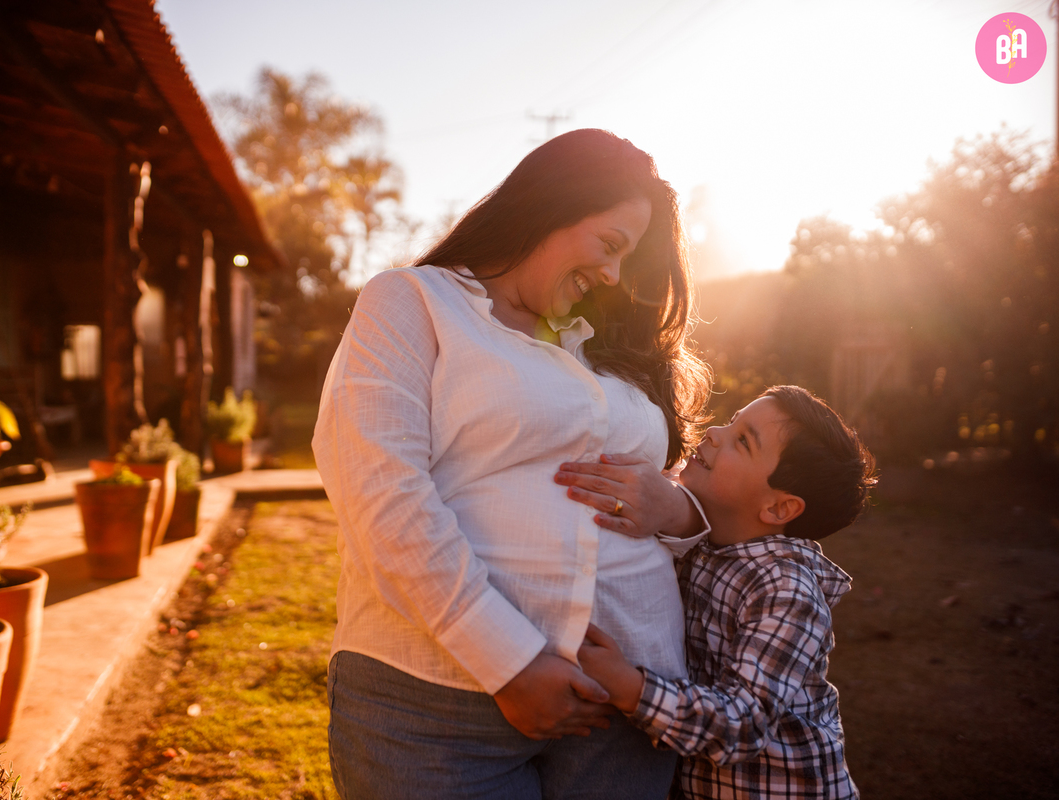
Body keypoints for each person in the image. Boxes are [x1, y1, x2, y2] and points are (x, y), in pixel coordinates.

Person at [312, 128, 713, 799]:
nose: (614, 276)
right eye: (610, 245)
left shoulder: (596, 343)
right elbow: (380, 491)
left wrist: (675, 508)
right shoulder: (416, 302)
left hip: (627, 696)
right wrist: (513, 664)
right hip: (437, 700)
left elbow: (665, 488)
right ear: (551, 207)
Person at [571, 385, 876, 800]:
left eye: (743, 441)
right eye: (731, 421)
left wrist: (628, 687)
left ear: (778, 509)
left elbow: (743, 725)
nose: (714, 431)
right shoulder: (704, 543)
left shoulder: (787, 591)